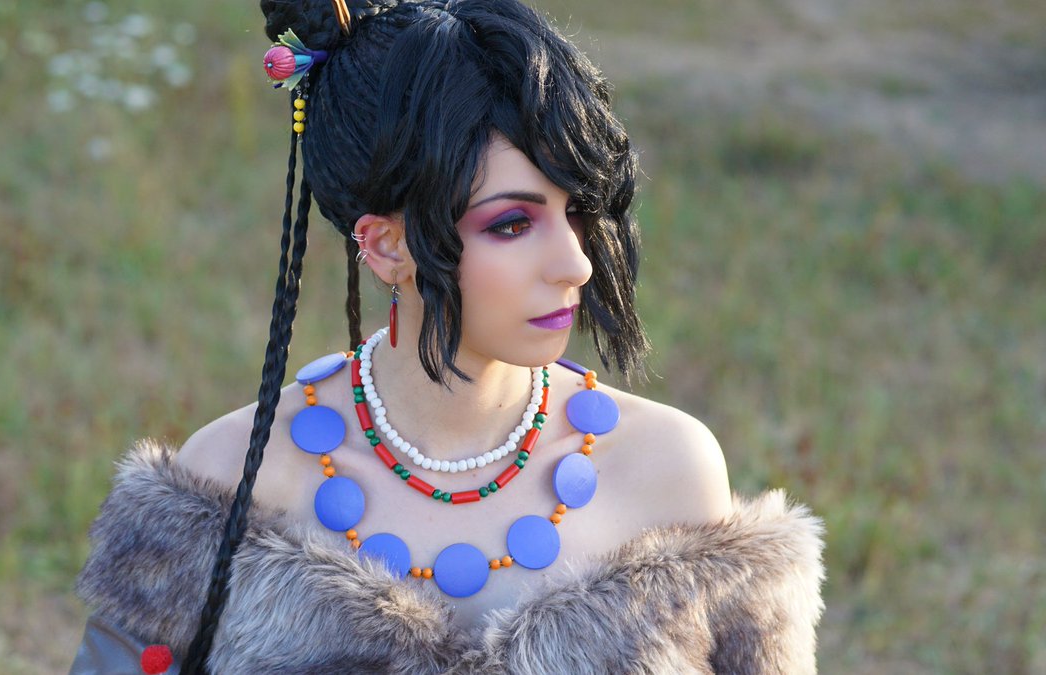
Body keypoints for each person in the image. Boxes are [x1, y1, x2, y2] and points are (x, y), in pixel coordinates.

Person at [69, 0, 825, 673]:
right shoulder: (235, 481)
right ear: (386, 245)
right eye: (512, 223)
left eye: (579, 211)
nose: (575, 263)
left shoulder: (670, 471)